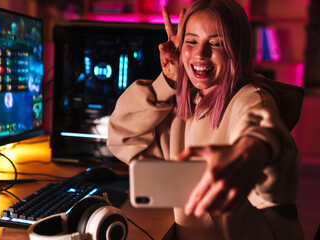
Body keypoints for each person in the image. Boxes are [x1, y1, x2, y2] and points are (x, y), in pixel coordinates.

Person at [107, 0, 304, 239]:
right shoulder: (188, 102)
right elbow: (122, 136)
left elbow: (262, 130)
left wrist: (247, 152)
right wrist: (168, 79)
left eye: (216, 43)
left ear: (237, 48)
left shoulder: (251, 99)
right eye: (191, 41)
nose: (201, 53)